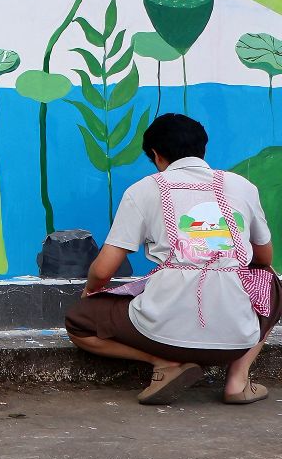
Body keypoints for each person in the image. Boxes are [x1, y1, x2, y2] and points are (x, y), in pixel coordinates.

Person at [65, 113, 279, 405]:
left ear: (155, 155)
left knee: (79, 321)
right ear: (202, 149)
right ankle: (238, 380)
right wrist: (222, 259)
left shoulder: (142, 191)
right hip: (236, 338)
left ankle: (164, 363)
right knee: (270, 282)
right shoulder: (242, 187)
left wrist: (91, 291)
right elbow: (264, 257)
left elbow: (103, 270)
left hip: (163, 335)